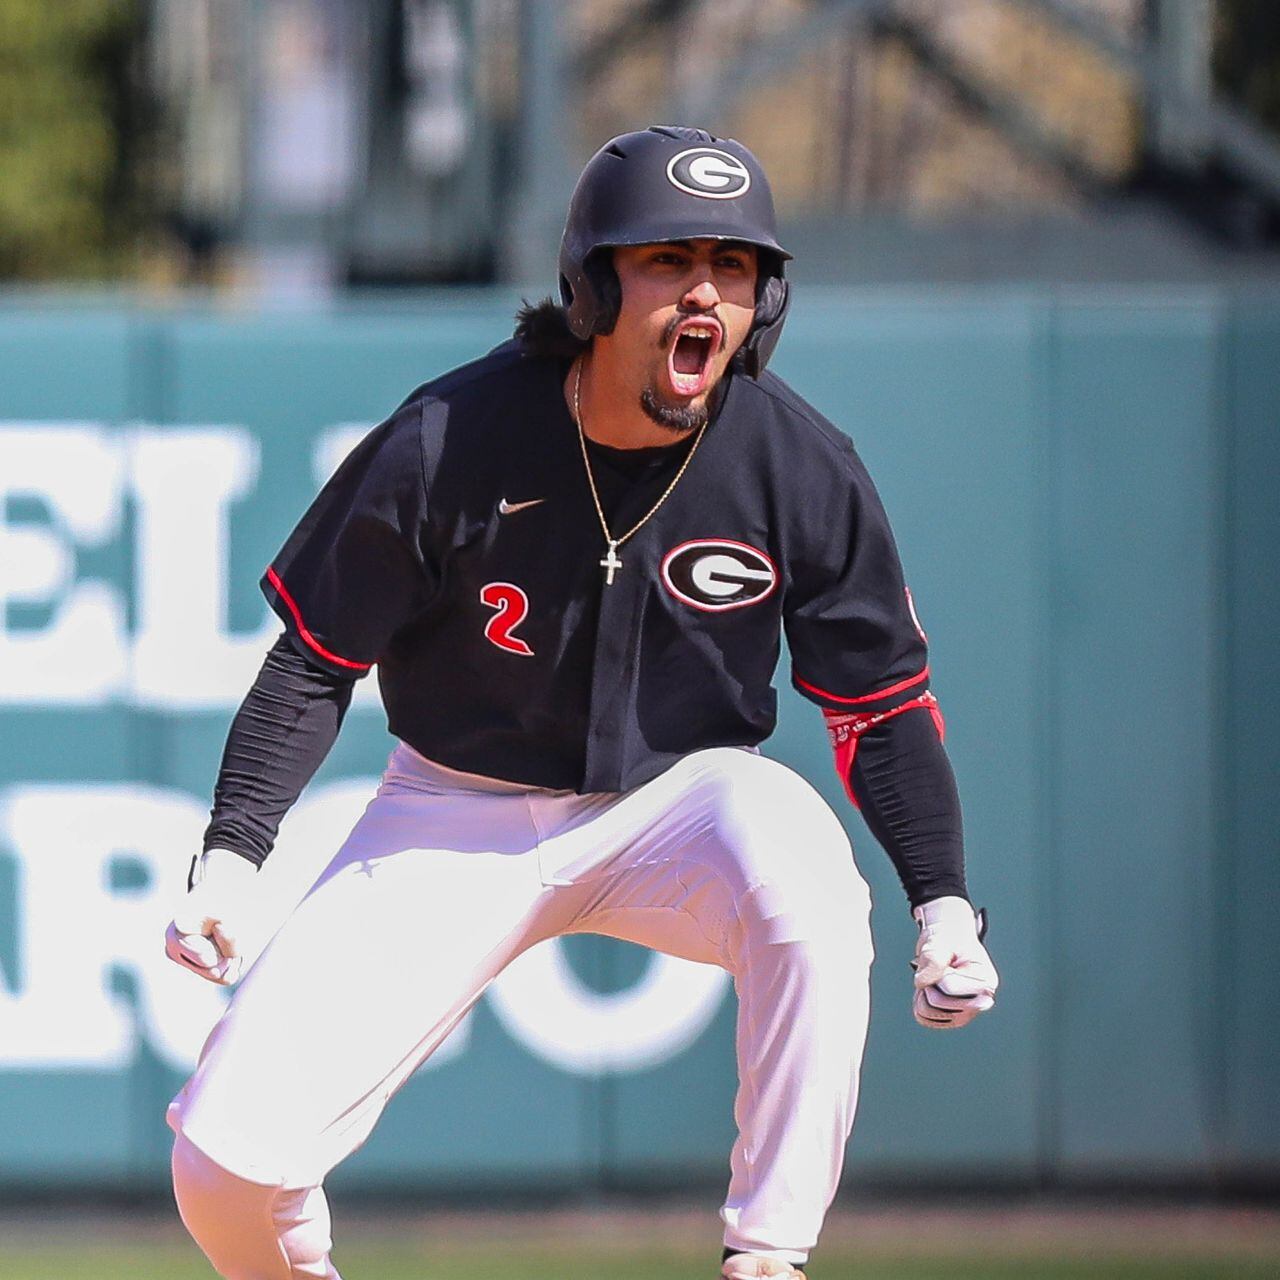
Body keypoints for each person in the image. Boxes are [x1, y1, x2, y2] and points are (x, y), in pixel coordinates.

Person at [164, 125, 998, 1280]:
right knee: (222, 1158)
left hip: (683, 806)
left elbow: (880, 706)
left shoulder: (797, 464)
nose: (707, 290)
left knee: (810, 887)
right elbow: (314, 660)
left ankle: (767, 1257)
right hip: (456, 810)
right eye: (668, 259)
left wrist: (944, 900)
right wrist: (231, 855)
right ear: (592, 284)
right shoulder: (449, 437)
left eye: (737, 266)